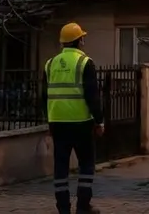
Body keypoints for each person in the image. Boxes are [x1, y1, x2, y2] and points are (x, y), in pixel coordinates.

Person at [40, 22, 105, 214]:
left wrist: (48, 120)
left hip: (58, 124)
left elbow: (44, 96)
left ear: (63, 43)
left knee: (61, 167)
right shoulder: (85, 63)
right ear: (79, 41)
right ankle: (83, 207)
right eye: (82, 38)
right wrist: (99, 120)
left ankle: (63, 209)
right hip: (81, 123)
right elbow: (92, 95)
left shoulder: (50, 64)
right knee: (86, 164)